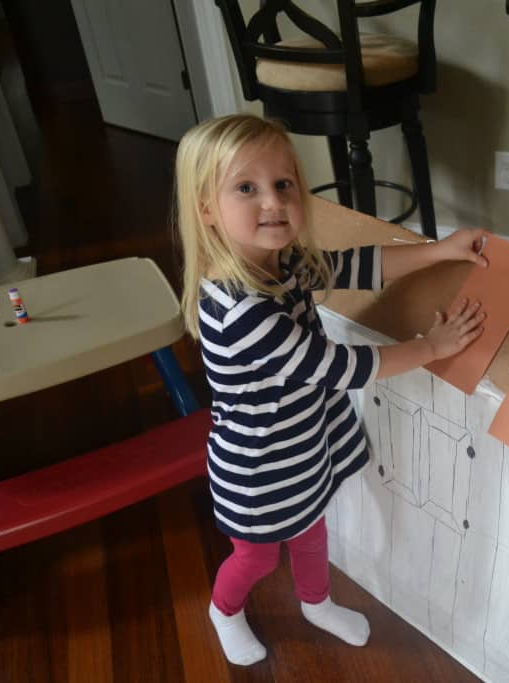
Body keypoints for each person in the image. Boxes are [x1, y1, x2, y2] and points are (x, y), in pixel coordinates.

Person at [174, 113, 487, 666]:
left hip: (304, 441)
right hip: (258, 467)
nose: (272, 201)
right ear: (206, 209)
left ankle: (316, 602)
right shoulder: (241, 310)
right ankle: (223, 610)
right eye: (247, 188)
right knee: (257, 559)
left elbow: (358, 264)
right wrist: (433, 348)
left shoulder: (283, 263)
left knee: (313, 530)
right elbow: (338, 367)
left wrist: (440, 251)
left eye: (284, 184)